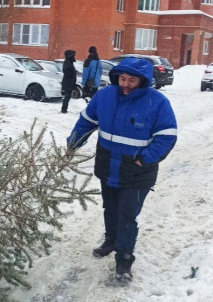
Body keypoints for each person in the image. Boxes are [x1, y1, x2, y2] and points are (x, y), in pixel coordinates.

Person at [67, 57, 177, 280]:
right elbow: (87, 121)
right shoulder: (105, 96)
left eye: (132, 80)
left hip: (137, 171)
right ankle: (111, 240)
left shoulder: (157, 102)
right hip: (108, 165)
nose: (125, 84)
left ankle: (124, 260)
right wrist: (73, 143)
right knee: (111, 207)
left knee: (127, 214)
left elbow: (166, 137)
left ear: (143, 81)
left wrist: (143, 160)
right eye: (123, 79)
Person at [61, 49, 77, 114]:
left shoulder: (69, 62)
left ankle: (64, 109)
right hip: (68, 82)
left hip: (70, 82)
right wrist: (73, 73)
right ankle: (64, 109)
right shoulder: (67, 62)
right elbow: (66, 71)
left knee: (68, 96)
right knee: (67, 96)